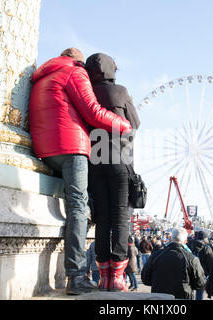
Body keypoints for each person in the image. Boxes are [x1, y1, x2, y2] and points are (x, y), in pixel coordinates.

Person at [29, 48, 132, 295]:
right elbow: (92, 111)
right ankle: (75, 275)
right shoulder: (74, 72)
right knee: (79, 205)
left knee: (81, 203)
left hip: (44, 148)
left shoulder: (44, 76)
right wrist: (123, 124)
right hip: (70, 146)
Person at [84, 53, 140, 292]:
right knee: (119, 218)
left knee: (103, 219)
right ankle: (117, 277)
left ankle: (103, 275)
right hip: (119, 158)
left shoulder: (86, 92)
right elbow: (135, 122)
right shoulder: (121, 91)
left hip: (94, 160)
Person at [141, 227, 206, 299]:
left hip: (159, 296)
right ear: (185, 240)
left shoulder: (156, 256)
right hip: (183, 296)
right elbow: (200, 283)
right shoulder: (191, 259)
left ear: (171, 239)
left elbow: (145, 279)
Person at [189, 231, 213, 300]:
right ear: (205, 238)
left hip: (192, 272)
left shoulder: (192, 244)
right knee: (200, 294)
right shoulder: (207, 248)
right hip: (203, 273)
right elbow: (210, 262)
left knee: (194, 293)